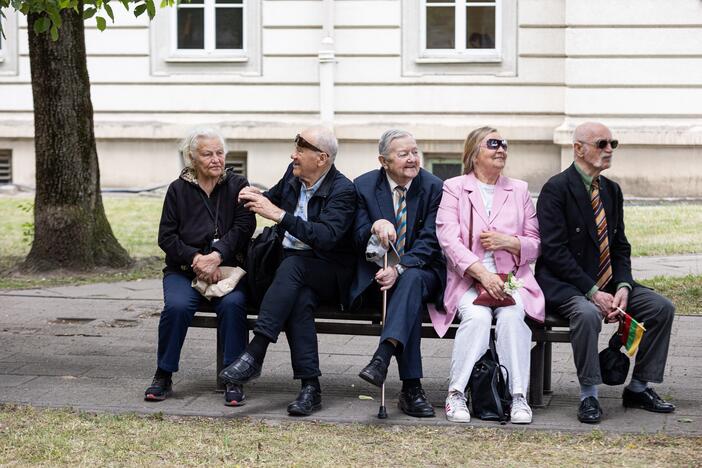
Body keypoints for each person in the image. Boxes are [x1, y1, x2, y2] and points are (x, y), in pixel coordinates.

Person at [536, 121, 676, 424]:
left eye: (613, 143)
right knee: (587, 315)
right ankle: (589, 394)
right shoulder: (556, 189)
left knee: (660, 308)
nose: (609, 149)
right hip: (567, 284)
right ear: (578, 148)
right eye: (601, 144)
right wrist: (592, 292)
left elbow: (620, 246)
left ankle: (638, 388)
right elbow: (554, 252)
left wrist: (623, 285)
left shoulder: (611, 190)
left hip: (609, 281)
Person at [218, 126, 357, 416]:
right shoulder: (294, 176)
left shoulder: (343, 190)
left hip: (330, 271)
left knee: (294, 268)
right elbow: (274, 198)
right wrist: (254, 196)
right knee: (298, 299)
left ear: (321, 158)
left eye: (300, 151)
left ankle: (256, 351)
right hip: (291, 274)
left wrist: (278, 215)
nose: (293, 155)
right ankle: (310, 388)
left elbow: (327, 237)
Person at [434, 126, 544, 424]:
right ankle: (455, 393)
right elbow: (449, 241)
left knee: (512, 318)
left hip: (512, 281)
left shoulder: (519, 189)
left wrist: (508, 242)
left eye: (504, 144)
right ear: (474, 153)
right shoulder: (454, 188)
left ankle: (517, 396)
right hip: (468, 281)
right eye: (493, 144)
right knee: (477, 318)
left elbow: (535, 244)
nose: (501, 149)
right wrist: (483, 275)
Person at [145, 128, 256, 406]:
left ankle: (233, 377)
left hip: (227, 271)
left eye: (220, 153)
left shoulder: (237, 184)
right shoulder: (178, 189)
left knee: (233, 306)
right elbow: (166, 237)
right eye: (208, 154)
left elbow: (245, 227)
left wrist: (217, 255)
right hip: (183, 270)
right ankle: (164, 374)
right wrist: (196, 259)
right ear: (192, 158)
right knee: (177, 307)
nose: (216, 159)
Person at [350, 129, 445, 418]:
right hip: (376, 278)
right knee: (408, 296)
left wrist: (400, 268)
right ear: (384, 161)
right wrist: (374, 227)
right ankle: (410, 390)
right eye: (403, 154)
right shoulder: (364, 186)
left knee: (412, 281)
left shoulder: (433, 187)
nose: (412, 159)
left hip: (424, 273)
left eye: (415, 152)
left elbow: (431, 242)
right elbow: (353, 236)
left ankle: (383, 358)